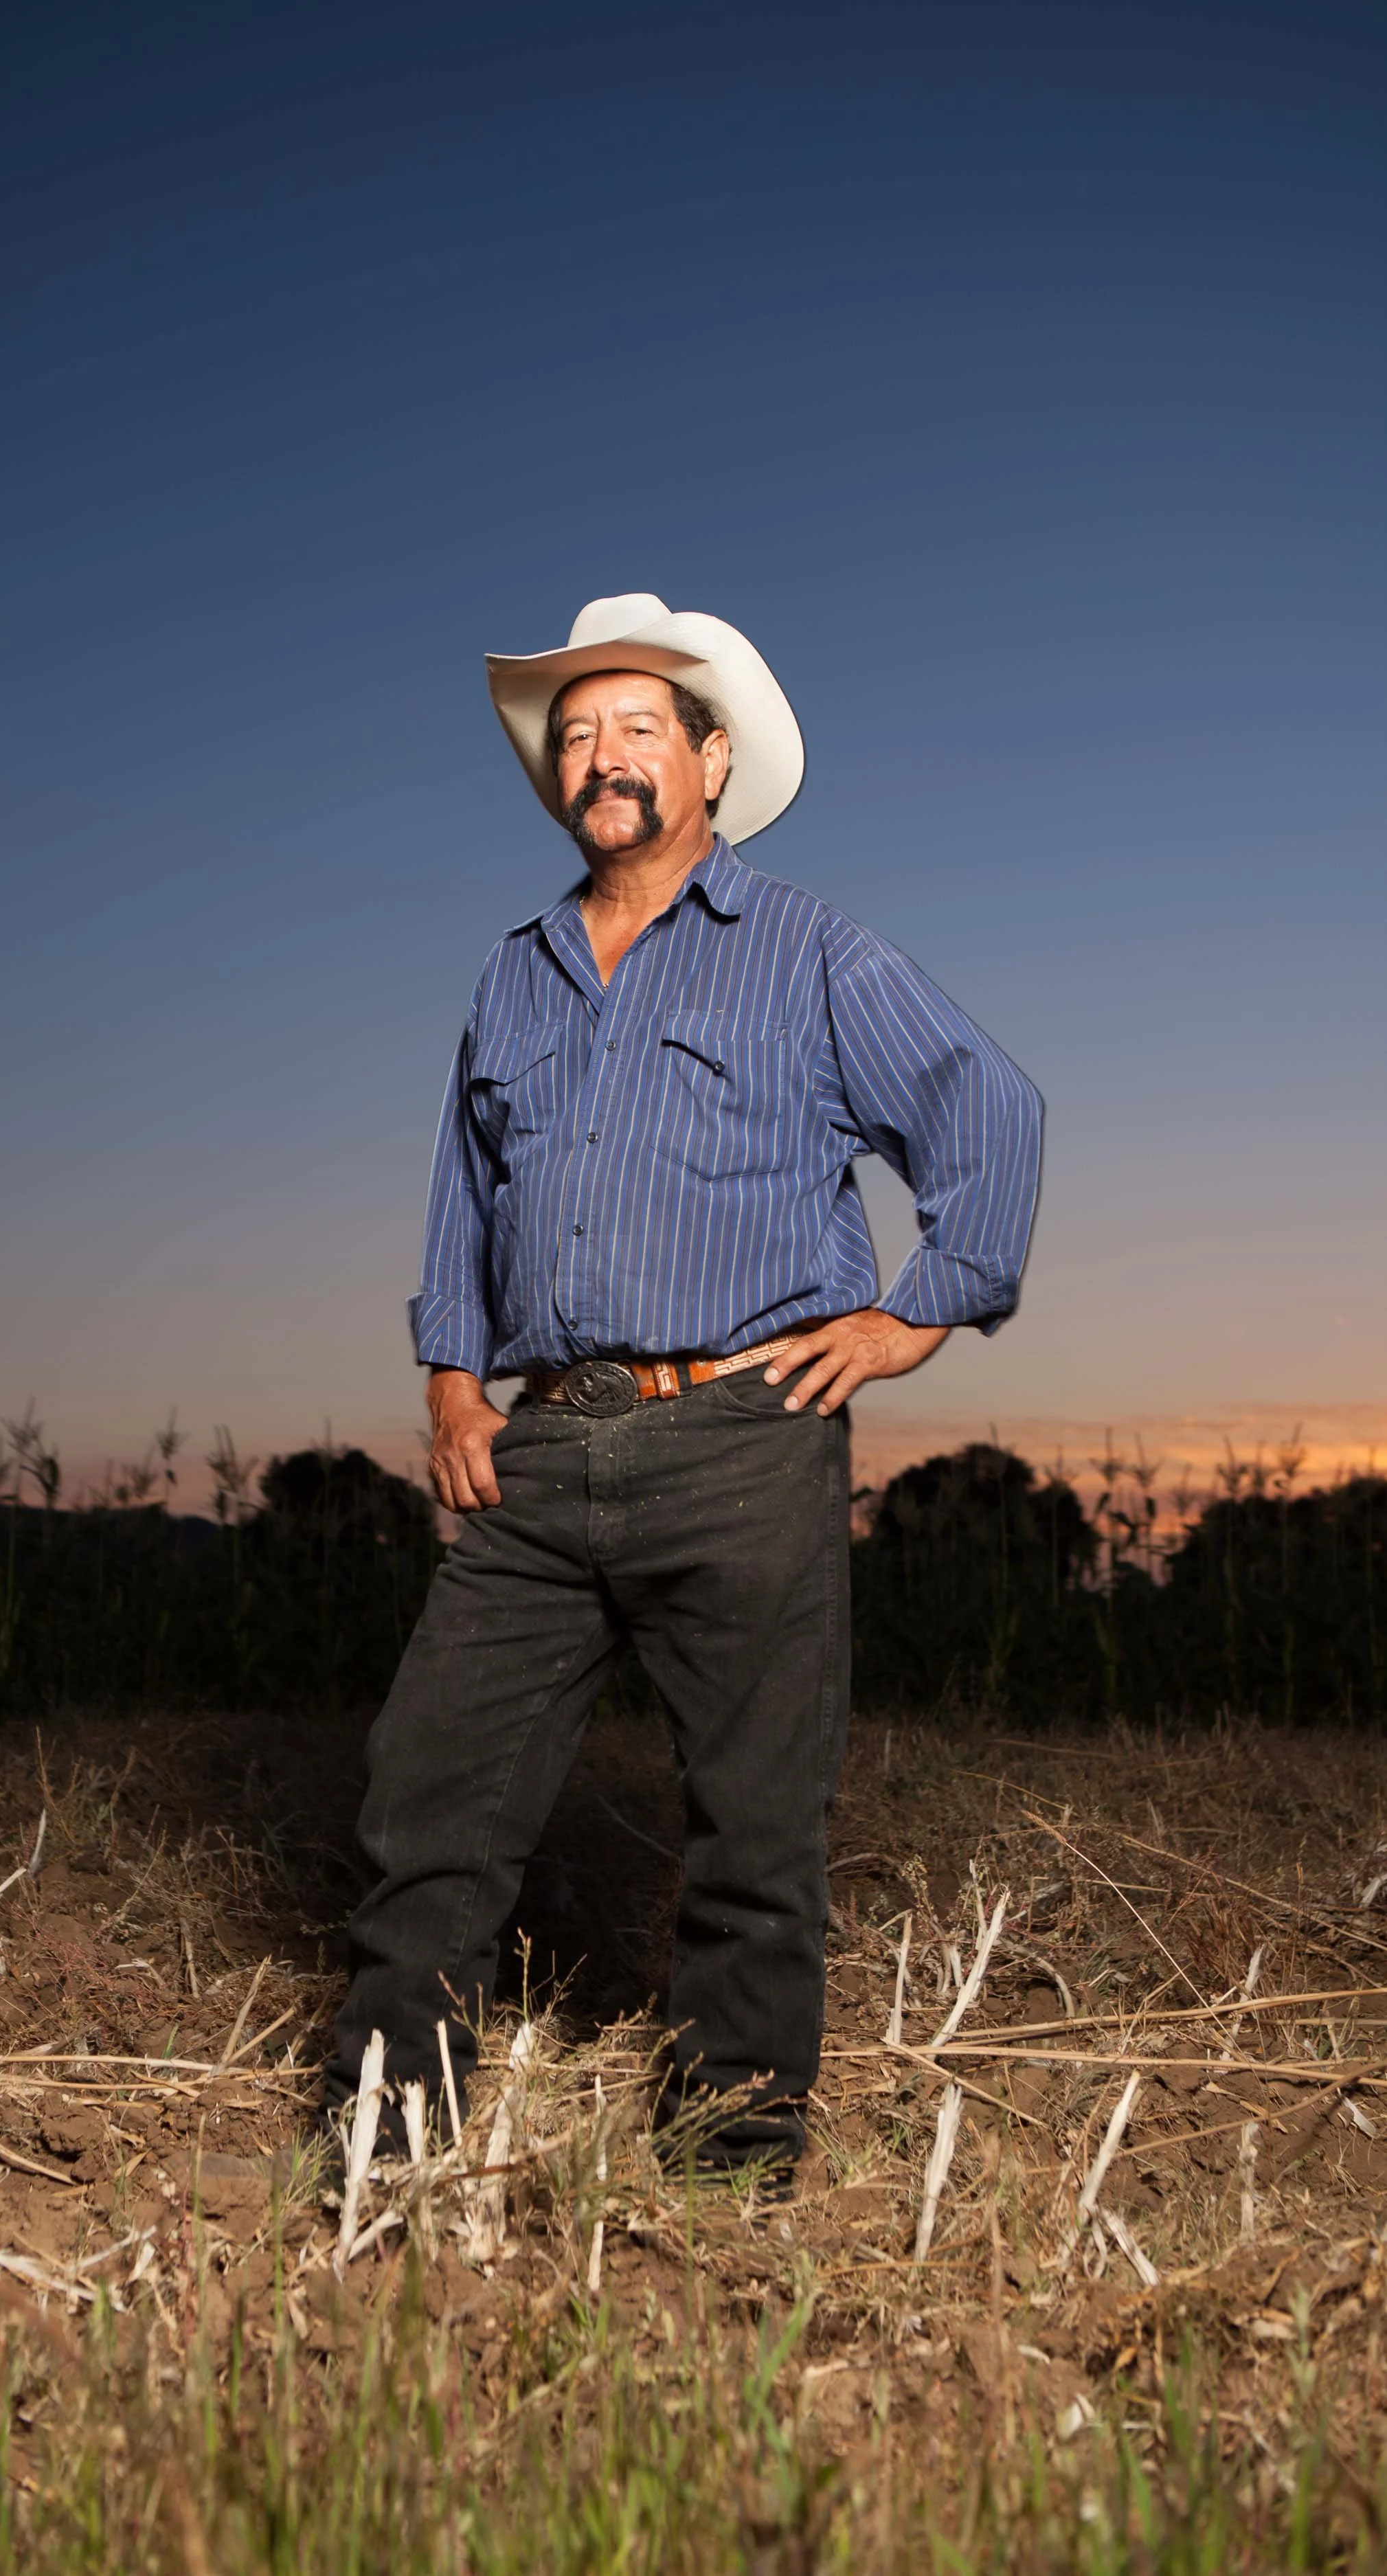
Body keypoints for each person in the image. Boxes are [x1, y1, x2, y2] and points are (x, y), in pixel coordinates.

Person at [322, 593, 1043, 2187]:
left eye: (638, 727)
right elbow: (462, 1196)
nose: (603, 756)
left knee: (754, 1826)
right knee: (425, 1791)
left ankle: (724, 2166)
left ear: (708, 762)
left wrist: (912, 1312)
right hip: (543, 1441)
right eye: (576, 735)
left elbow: (984, 1106)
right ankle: (385, 2147)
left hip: (741, 1434)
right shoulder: (508, 979)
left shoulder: (807, 950)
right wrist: (452, 1391)